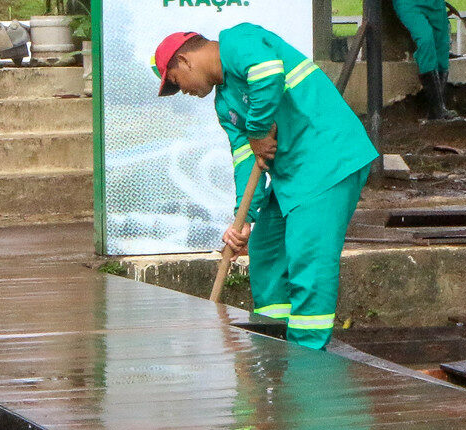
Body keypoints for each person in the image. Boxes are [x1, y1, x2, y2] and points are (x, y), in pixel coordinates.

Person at [152, 24, 377, 350]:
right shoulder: (224, 104)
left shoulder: (238, 40)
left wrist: (257, 131)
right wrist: (241, 221)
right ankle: (274, 345)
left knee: (308, 262)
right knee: (266, 253)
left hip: (326, 159)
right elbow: (246, 163)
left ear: (185, 61)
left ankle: (305, 357)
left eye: (175, 83)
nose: (182, 91)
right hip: (292, 175)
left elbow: (268, 74)